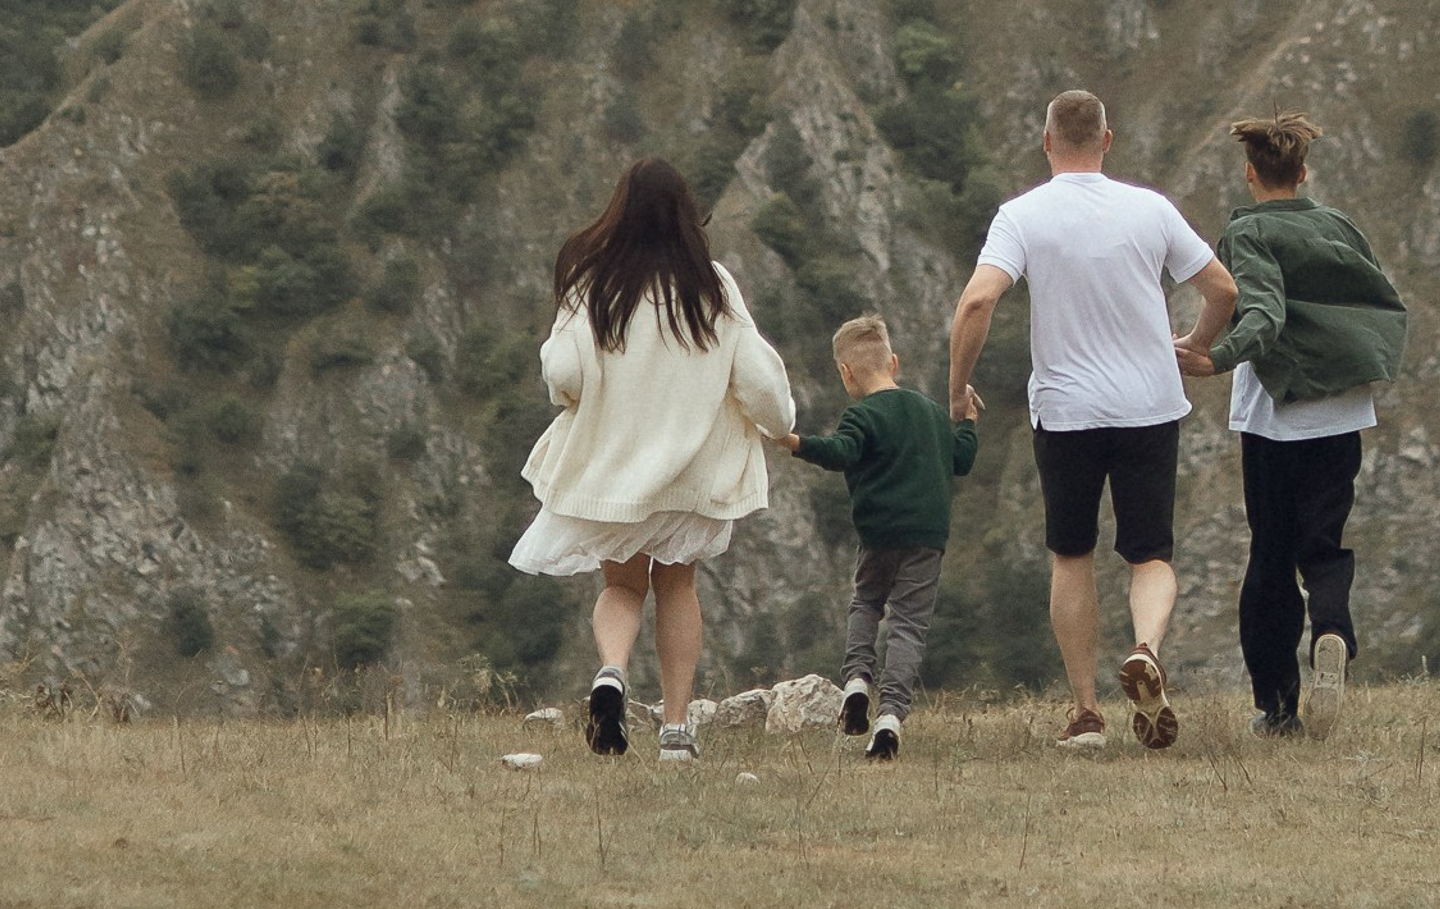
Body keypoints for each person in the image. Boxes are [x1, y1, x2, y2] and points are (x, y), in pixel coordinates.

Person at [947, 89, 1237, 750]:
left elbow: (975, 306)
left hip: (1067, 412)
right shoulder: (1150, 210)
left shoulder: (1021, 218)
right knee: (1150, 553)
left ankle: (1085, 714)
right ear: (1108, 141)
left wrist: (957, 391)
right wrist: (1195, 345)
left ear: (1046, 143)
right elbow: (1223, 289)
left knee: (1071, 555)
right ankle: (1145, 647)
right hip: (1150, 405)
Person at [509, 156, 796, 765]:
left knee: (621, 585)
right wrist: (782, 428)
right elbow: (759, 382)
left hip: (616, 468)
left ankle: (611, 673)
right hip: (693, 473)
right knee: (678, 586)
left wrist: (575, 399)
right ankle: (675, 731)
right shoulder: (710, 285)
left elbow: (562, 374)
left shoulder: (593, 284)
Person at [1175, 111, 1408, 737]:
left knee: (1271, 558)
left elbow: (1265, 316)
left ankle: (1277, 709)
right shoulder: (1339, 225)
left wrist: (1212, 357)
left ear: (1252, 174)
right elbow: (1373, 297)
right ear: (1302, 174)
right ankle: (1332, 630)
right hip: (1342, 410)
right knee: (1325, 545)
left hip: (1276, 417)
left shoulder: (1247, 230)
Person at [780, 310, 979, 760]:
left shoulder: (861, 416)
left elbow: (840, 452)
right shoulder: (929, 413)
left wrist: (795, 442)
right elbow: (961, 460)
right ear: (894, 362)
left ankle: (855, 682)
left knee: (867, 603)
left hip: (877, 535)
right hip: (927, 537)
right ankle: (890, 717)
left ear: (845, 372)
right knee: (908, 624)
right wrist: (966, 421)